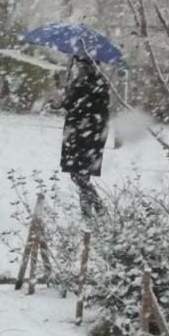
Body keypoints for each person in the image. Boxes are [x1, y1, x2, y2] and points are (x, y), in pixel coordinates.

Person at [53, 54, 110, 218]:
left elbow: (90, 107)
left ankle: (98, 209)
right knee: (79, 175)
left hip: (88, 135)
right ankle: (88, 214)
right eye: (79, 65)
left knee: (80, 175)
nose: (80, 68)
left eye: (83, 66)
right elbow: (73, 104)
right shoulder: (80, 82)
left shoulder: (97, 83)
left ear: (91, 66)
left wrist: (72, 97)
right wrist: (63, 99)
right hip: (78, 134)